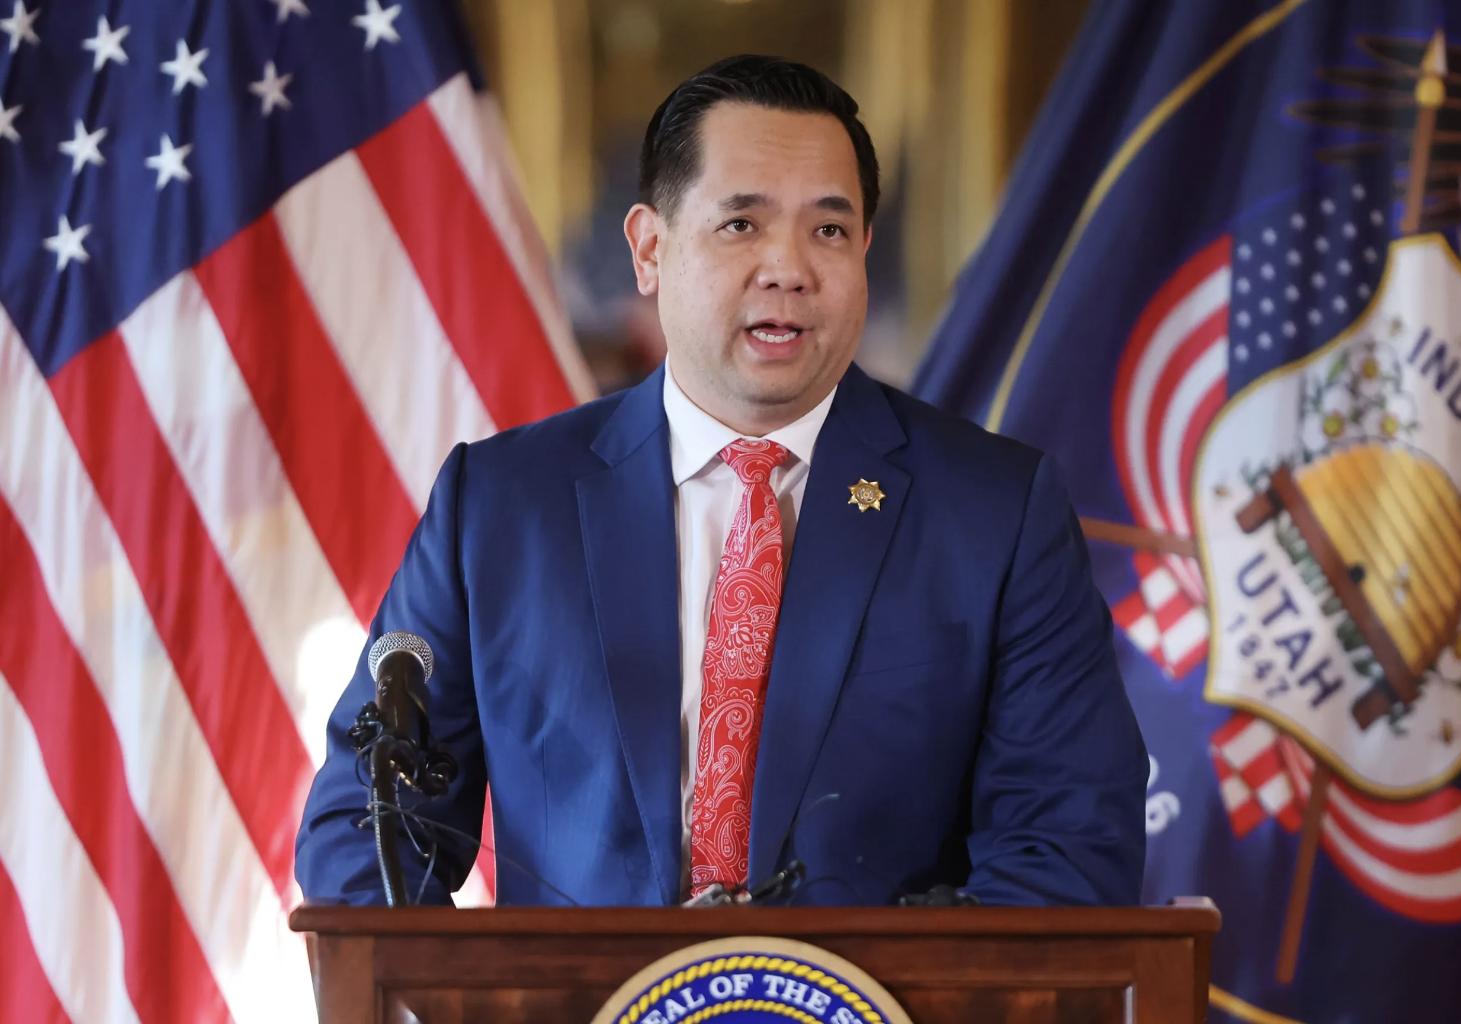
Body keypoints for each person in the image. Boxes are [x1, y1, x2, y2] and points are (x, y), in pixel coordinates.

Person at [295, 54, 1147, 908]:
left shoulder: (994, 513)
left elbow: (1067, 849)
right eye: (742, 225)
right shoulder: (501, 507)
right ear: (649, 248)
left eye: (829, 230)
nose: (789, 268)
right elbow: (363, 838)